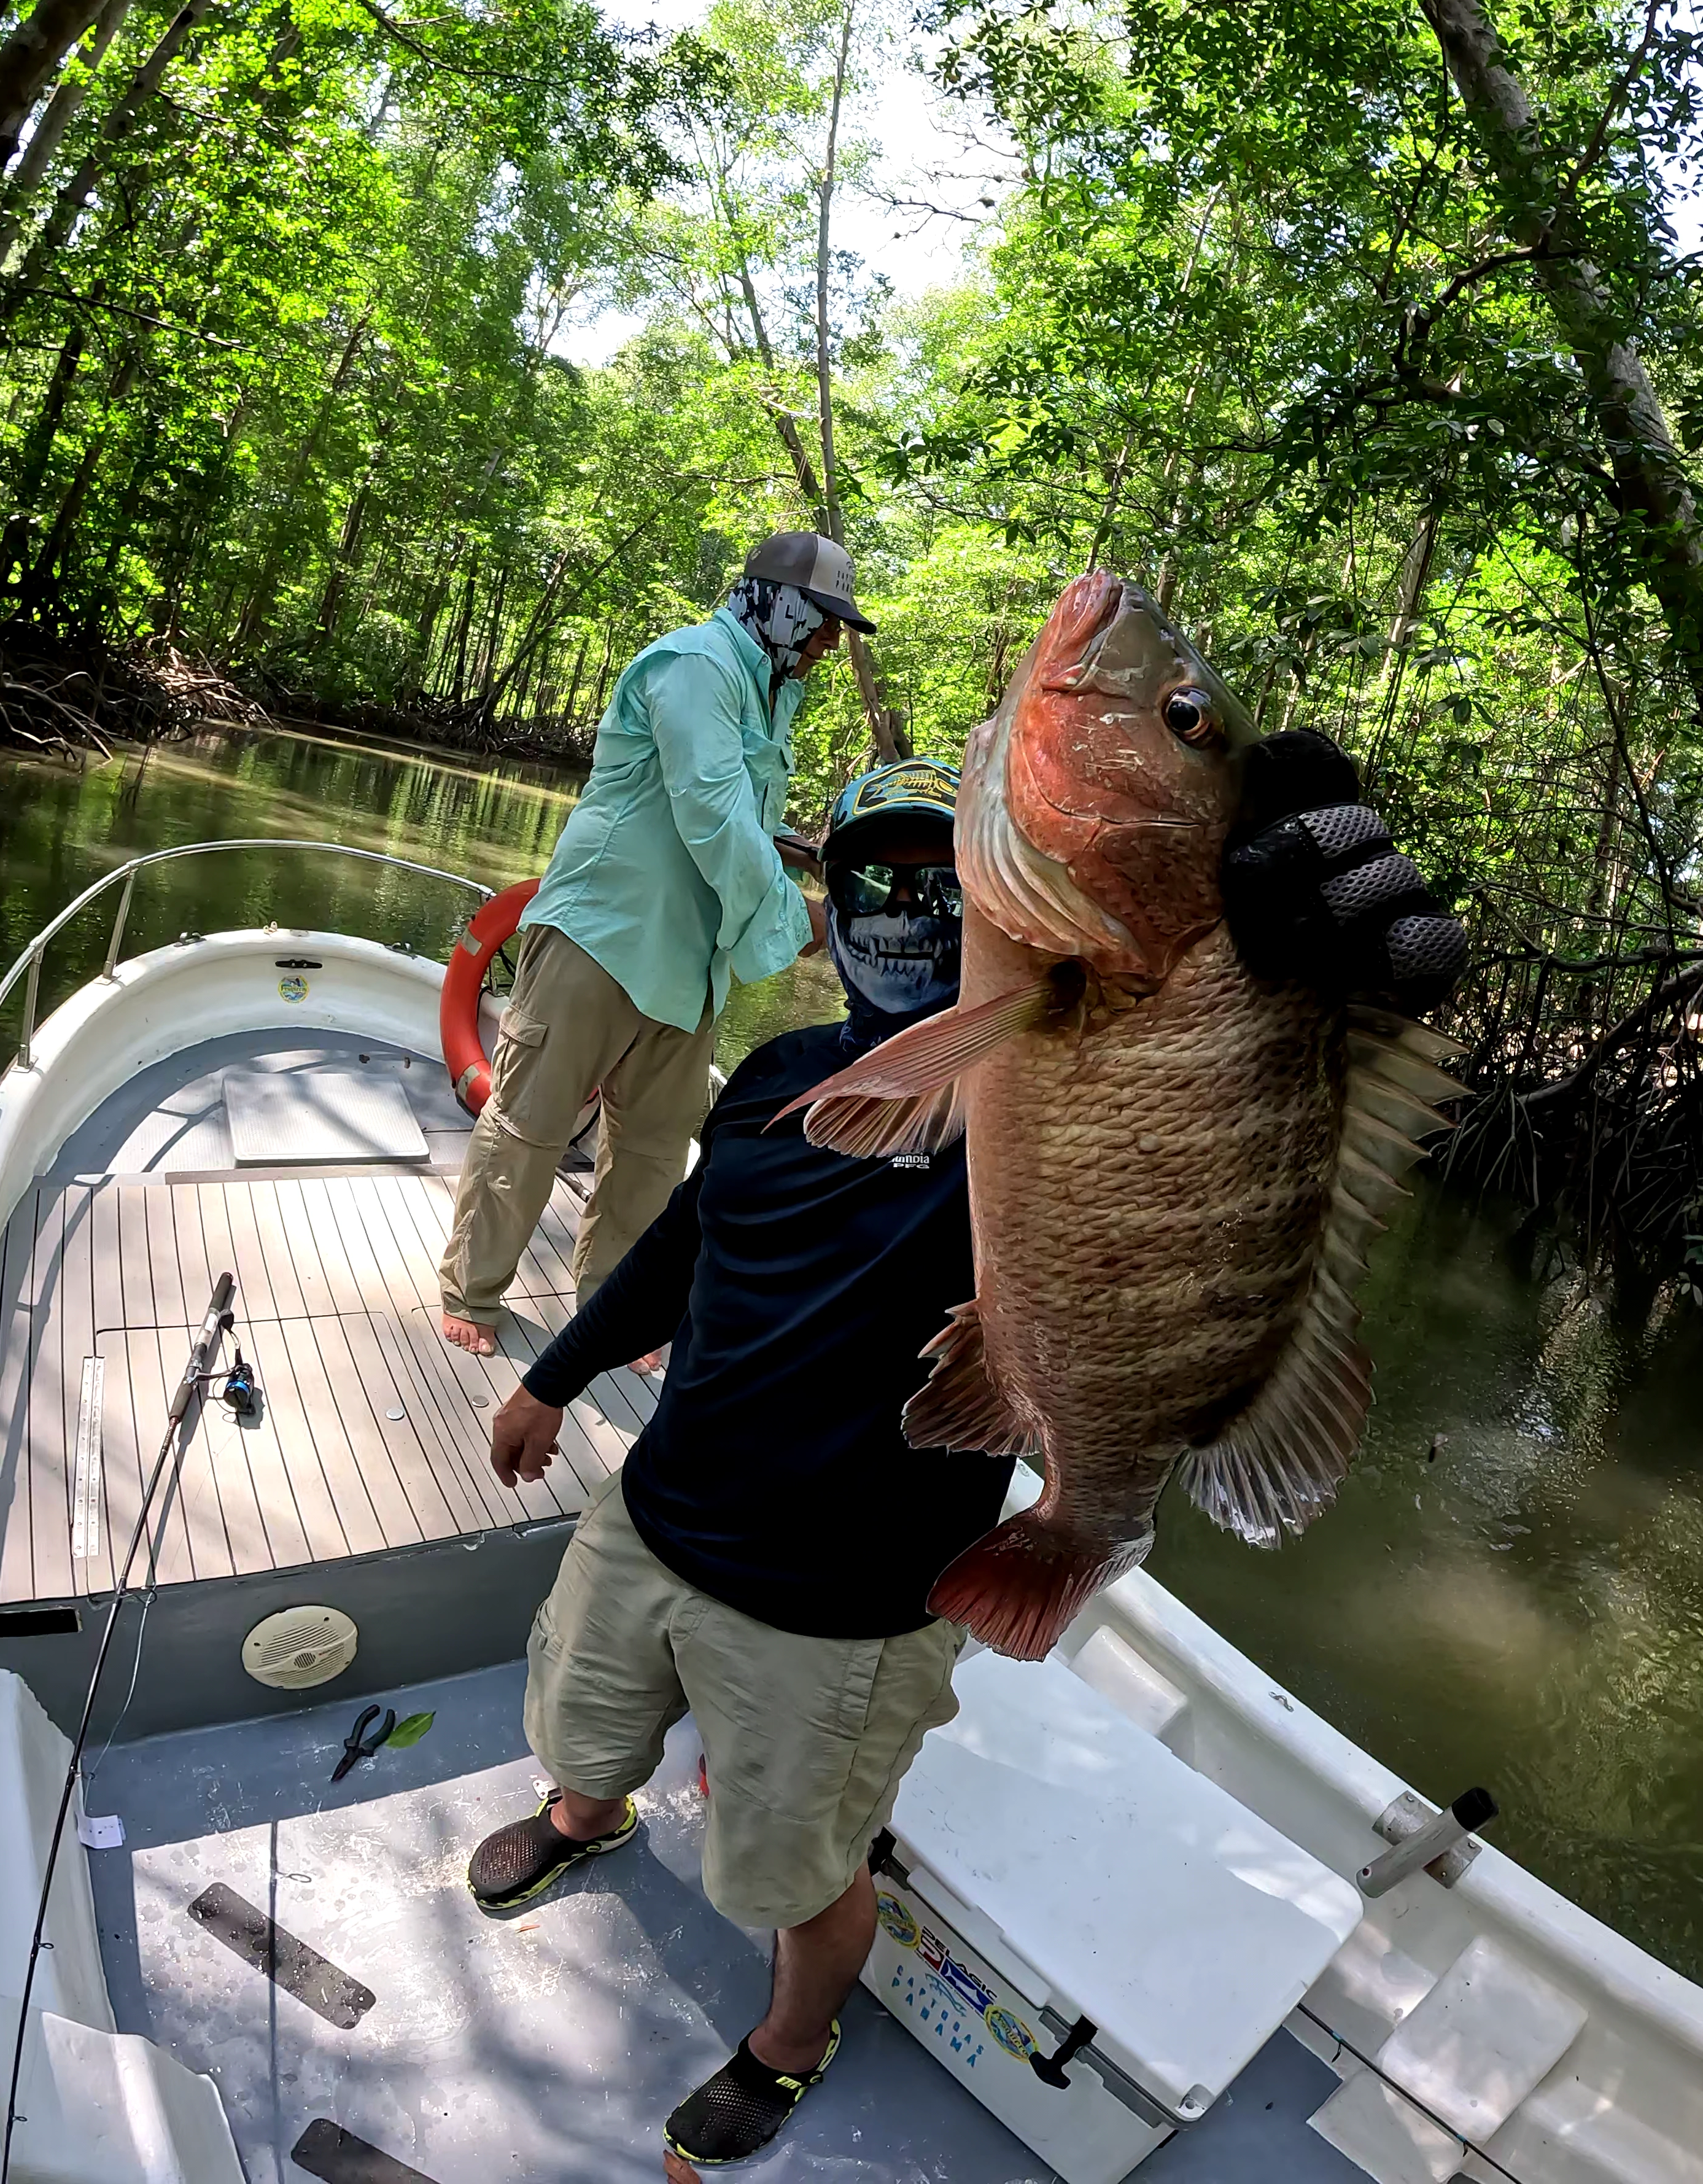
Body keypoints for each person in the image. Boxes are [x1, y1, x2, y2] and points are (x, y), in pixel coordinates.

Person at [460, 731, 1465, 2175]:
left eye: (952, 881)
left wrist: (1310, 989)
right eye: (879, 879)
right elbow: (686, 1240)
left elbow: (1181, 1130)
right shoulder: (778, 1073)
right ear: (829, 904)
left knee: (801, 1876)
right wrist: (552, 1382)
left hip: (839, 1619)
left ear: (1008, 910)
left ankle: (789, 2047)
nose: (914, 913)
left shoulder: (1026, 1090)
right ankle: (587, 1810)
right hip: (654, 1519)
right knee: (581, 1717)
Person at [438, 530, 871, 1358]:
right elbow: (707, 811)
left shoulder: (770, 692)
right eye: (822, 621)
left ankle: (613, 1309)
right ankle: (474, 1288)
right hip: (602, 936)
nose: (829, 642)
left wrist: (800, 854)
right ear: (776, 603)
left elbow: (737, 814)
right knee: (530, 1123)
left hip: (690, 965)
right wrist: (796, 920)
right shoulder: (697, 666)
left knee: (651, 1153)